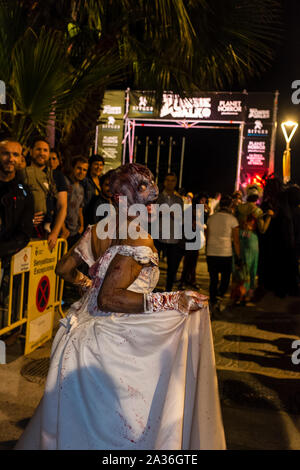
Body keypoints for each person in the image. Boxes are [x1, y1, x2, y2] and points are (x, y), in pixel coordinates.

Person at [15, 163, 226, 451]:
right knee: (118, 427)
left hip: (83, 331)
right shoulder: (137, 238)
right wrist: (171, 299)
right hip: (110, 343)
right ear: (124, 199)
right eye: (147, 199)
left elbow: (64, 268)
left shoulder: (98, 229)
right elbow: (110, 299)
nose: (153, 204)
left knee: (80, 422)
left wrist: (86, 283)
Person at [0, 138, 34, 328]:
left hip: (6, 261)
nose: (10, 159)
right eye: (6, 153)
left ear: (21, 158)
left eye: (15, 154)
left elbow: (24, 233)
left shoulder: (24, 193)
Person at [235, 184, 273, 302]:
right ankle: (247, 294)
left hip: (240, 237)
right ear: (257, 198)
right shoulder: (257, 210)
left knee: (240, 265)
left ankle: (237, 293)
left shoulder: (239, 208)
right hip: (251, 238)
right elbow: (262, 229)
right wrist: (269, 217)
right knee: (251, 267)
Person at [29, 138, 68, 251]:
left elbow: (62, 206)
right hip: (24, 234)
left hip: (48, 235)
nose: (42, 153)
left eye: (45, 150)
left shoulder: (57, 176)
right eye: (38, 149)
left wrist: (55, 233)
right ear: (31, 151)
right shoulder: (22, 173)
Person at [206, 195, 240, 310]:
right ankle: (219, 296)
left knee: (213, 279)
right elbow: (236, 241)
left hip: (211, 252)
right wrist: (239, 256)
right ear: (230, 205)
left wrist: (207, 250)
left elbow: (208, 235)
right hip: (226, 253)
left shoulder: (211, 218)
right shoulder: (233, 220)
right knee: (225, 279)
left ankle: (213, 299)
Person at [156, 173, 184, 291]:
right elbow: (150, 214)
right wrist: (160, 213)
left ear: (175, 183)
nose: (170, 183)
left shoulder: (178, 199)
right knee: (153, 266)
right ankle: (152, 288)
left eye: (173, 181)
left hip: (173, 237)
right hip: (158, 235)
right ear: (164, 182)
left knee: (172, 267)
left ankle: (168, 290)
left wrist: (175, 214)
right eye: (168, 180)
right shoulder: (157, 198)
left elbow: (181, 217)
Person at [63, 156, 89, 248]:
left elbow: (80, 209)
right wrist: (63, 228)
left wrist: (81, 226)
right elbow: (59, 207)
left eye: (84, 170)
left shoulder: (81, 188)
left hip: (76, 232)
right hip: (64, 231)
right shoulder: (64, 182)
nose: (81, 172)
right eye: (79, 168)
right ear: (72, 168)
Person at [82, 154, 105, 226]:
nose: (99, 167)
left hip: (98, 217)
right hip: (86, 216)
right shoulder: (85, 180)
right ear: (90, 165)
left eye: (101, 165)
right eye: (96, 164)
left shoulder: (102, 180)